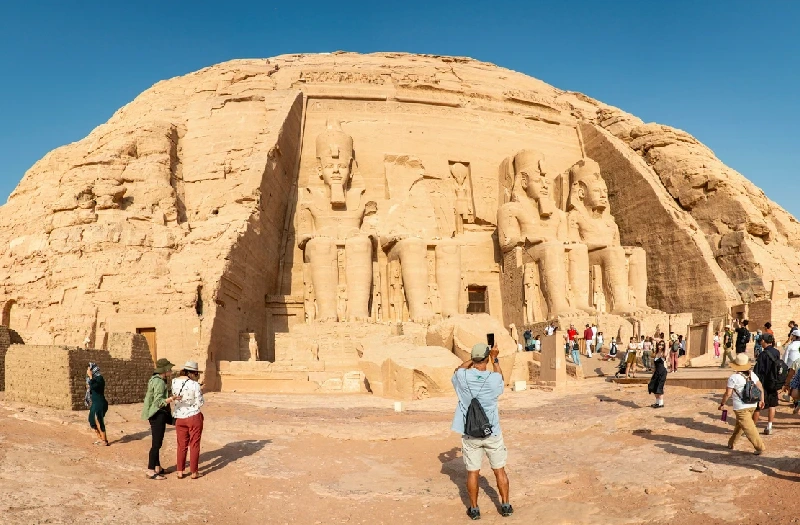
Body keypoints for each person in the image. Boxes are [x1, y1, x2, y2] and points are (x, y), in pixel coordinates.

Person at [451, 343, 512, 519]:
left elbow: (458, 369)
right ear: (487, 359)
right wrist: (495, 359)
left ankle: (475, 509)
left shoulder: (463, 376)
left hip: (471, 433)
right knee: (499, 470)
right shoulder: (493, 379)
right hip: (491, 432)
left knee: (473, 472)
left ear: (473, 359)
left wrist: (473, 359)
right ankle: (506, 505)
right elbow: (501, 378)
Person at [718, 353, 765, 455]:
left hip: (740, 406)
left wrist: (722, 403)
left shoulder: (733, 377)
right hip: (752, 404)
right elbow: (760, 387)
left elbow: (728, 393)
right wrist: (762, 400)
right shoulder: (752, 374)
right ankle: (731, 443)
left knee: (749, 428)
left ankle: (760, 447)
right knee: (740, 426)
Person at [141, 358, 180, 480]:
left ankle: (157, 467)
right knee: (156, 444)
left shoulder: (157, 379)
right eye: (169, 369)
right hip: (157, 414)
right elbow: (158, 402)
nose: (171, 371)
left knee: (158, 442)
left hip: (156, 414)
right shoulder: (159, 382)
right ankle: (150, 470)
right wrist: (172, 399)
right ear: (165, 370)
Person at [173, 361, 205, 479]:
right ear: (192, 373)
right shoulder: (195, 384)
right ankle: (193, 472)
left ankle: (180, 471)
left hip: (179, 417)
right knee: (194, 444)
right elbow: (199, 402)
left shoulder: (174, 382)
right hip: (193, 416)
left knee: (181, 445)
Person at [753, 333, 781, 435]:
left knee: (758, 405)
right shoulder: (776, 352)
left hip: (763, 382)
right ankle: (769, 426)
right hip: (773, 382)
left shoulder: (763, 354)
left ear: (764, 341)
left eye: (761, 341)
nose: (761, 342)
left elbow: (758, 370)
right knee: (772, 405)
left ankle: (752, 428)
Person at [86, 362, 109, 446]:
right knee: (91, 420)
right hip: (95, 403)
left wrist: (91, 377)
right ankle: (100, 438)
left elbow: (94, 387)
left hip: (100, 402)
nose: (87, 371)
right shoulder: (92, 379)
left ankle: (104, 440)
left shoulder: (100, 379)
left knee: (99, 421)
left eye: (89, 369)